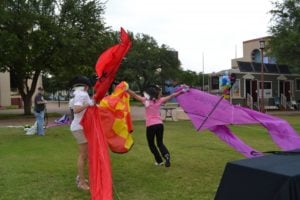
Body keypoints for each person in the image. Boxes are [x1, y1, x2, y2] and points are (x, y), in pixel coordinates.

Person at [127, 85, 185, 167]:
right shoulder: (160, 100)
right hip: (160, 124)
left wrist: (126, 89)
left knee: (151, 144)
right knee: (160, 143)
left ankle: (159, 161)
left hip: (151, 125)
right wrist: (181, 91)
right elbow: (172, 95)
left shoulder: (146, 101)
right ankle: (166, 156)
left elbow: (134, 95)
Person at [69, 76, 94, 191]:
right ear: (85, 86)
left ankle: (81, 177)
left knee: (85, 155)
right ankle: (81, 182)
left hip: (80, 127)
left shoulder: (77, 93)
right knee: (83, 155)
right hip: (79, 127)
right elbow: (76, 109)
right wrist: (89, 104)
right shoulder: (81, 94)